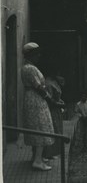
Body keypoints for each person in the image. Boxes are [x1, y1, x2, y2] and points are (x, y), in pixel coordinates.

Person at [21, 42, 54, 171]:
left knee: (37, 126)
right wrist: (49, 98)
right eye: (36, 54)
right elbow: (38, 87)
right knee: (40, 127)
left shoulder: (26, 67)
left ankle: (37, 156)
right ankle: (37, 160)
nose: (39, 56)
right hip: (35, 100)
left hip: (32, 98)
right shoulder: (30, 68)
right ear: (31, 55)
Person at [43, 68, 66, 159]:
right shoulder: (48, 83)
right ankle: (48, 153)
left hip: (57, 110)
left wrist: (60, 101)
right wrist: (59, 104)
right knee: (52, 129)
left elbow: (57, 96)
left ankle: (53, 152)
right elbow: (50, 100)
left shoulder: (54, 81)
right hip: (52, 109)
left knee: (57, 129)